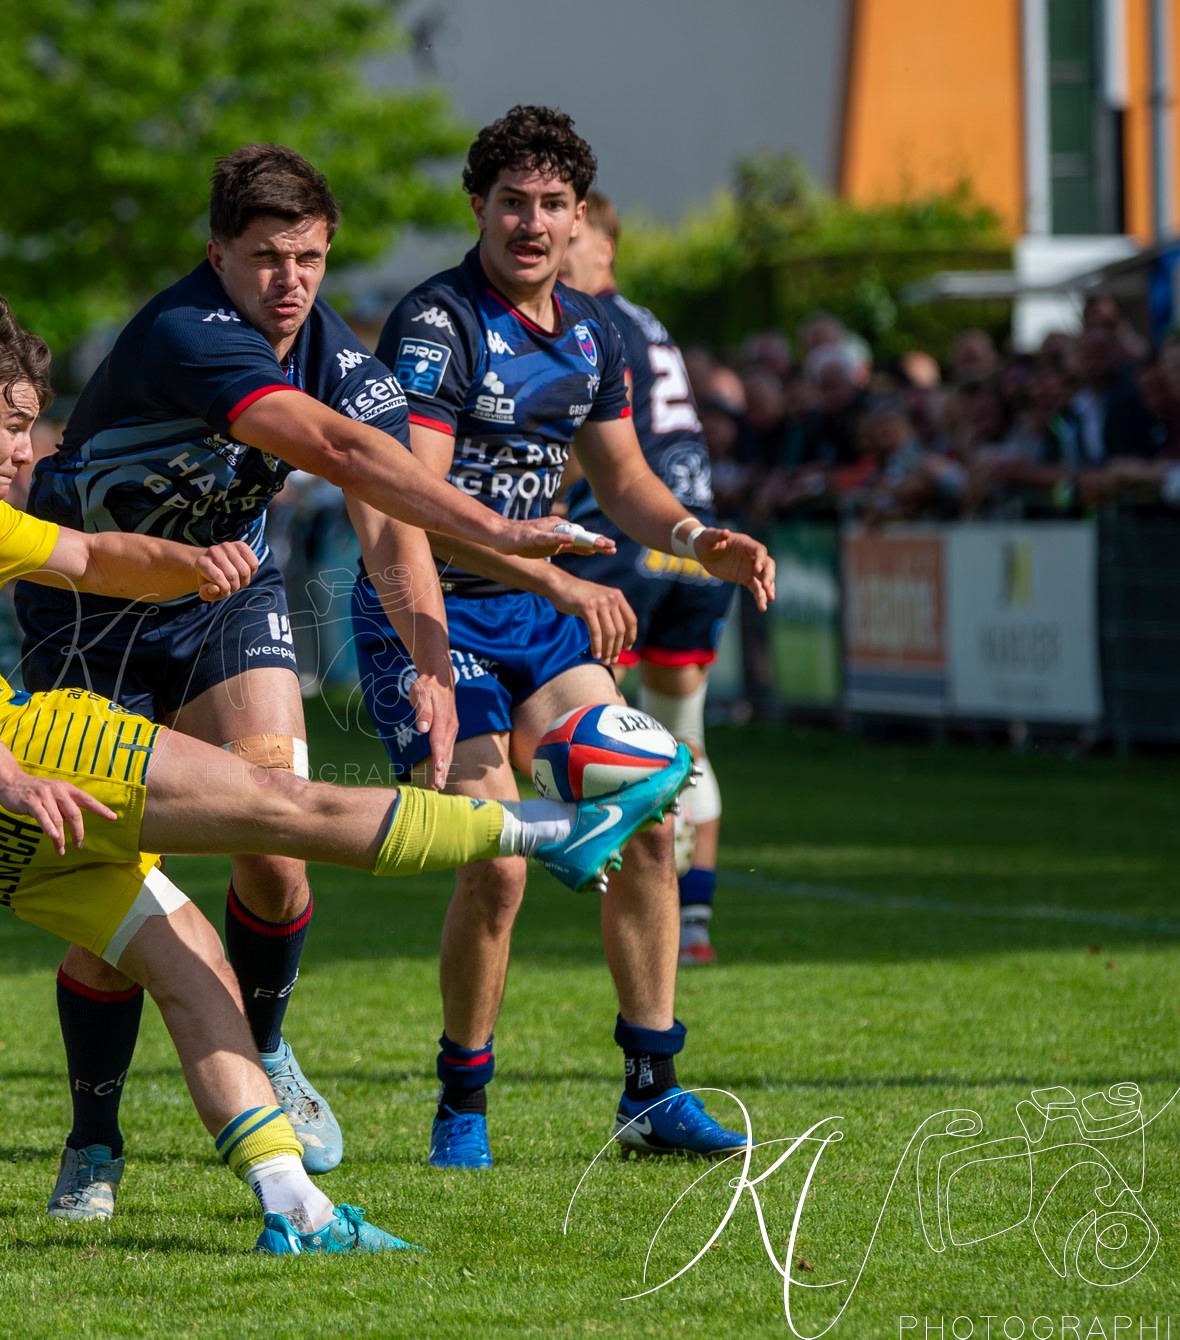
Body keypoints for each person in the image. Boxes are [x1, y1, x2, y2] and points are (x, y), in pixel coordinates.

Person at [0, 294, 687, 1255]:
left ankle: (293, 1211)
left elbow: (90, 552)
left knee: (197, 974)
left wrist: (193, 564)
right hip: (23, 761)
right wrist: (12, 774)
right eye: (12, 427)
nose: (28, 449)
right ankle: (555, 830)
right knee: (282, 807)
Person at [14, 144, 615, 1218]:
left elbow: (386, 517)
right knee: (117, 891)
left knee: (279, 847)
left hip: (223, 596)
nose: (289, 280)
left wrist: (432, 658)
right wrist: (501, 529)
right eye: (265, 258)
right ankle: (94, 1138)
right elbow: (333, 447)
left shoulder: (340, 351)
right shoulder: (185, 331)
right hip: (88, 616)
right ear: (218, 255)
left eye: (309, 257)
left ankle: (270, 1048)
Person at [358, 106, 774, 1170]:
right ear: (480, 209)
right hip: (431, 610)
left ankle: (651, 1089)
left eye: (552, 204)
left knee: (648, 811)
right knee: (492, 861)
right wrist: (553, 576)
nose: (532, 222)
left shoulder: (598, 330)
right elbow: (428, 506)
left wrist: (694, 536)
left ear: (579, 215)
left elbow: (624, 477)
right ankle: (462, 1098)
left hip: (534, 611)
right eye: (512, 202)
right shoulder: (438, 324)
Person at [557, 190, 739, 967]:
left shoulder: (583, 321)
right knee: (682, 737)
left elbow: (577, 439)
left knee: (582, 721)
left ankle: (626, 882)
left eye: (571, 235)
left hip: (627, 542)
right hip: (696, 544)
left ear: (602, 247)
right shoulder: (646, 321)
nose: (553, 248)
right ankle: (690, 921)